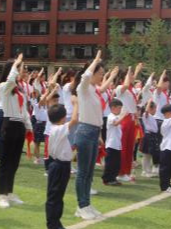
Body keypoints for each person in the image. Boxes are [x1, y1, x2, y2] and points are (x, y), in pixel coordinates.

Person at [74, 50, 107, 220]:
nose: (102, 76)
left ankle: (86, 203)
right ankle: (81, 206)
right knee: (82, 171)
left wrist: (100, 134)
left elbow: (97, 114)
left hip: (94, 132)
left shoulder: (94, 90)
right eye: (100, 74)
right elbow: (85, 77)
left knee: (89, 172)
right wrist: (95, 60)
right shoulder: (84, 88)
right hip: (85, 131)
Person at [0, 54, 33, 209]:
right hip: (9, 124)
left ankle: (10, 191)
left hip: (19, 126)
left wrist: (29, 126)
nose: (21, 71)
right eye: (20, 68)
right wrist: (15, 63)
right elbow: (11, 80)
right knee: (5, 162)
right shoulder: (4, 87)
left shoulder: (19, 90)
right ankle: (2, 194)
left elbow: (24, 110)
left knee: (14, 162)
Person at [45, 93, 79, 229]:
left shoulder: (55, 128)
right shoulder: (59, 129)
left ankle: (56, 222)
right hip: (58, 165)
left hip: (62, 165)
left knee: (58, 196)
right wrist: (76, 104)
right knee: (54, 197)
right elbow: (75, 119)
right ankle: (53, 224)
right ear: (63, 118)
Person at [115, 63, 143, 182]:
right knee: (123, 147)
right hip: (124, 120)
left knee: (130, 148)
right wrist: (131, 69)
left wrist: (135, 71)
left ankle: (126, 172)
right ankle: (120, 172)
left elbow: (129, 82)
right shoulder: (120, 89)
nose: (132, 78)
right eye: (129, 75)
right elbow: (126, 84)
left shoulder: (131, 90)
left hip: (132, 119)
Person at [102, 99, 127, 185]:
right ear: (113, 108)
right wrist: (123, 115)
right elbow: (115, 123)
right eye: (119, 108)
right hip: (111, 144)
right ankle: (107, 179)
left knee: (116, 164)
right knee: (110, 163)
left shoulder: (116, 117)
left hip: (117, 144)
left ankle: (113, 178)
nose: (120, 110)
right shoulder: (110, 116)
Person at [159, 104, 171, 193]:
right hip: (167, 148)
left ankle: (168, 184)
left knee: (170, 168)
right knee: (165, 168)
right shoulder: (166, 121)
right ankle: (164, 187)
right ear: (167, 114)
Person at [140, 98, 160, 177]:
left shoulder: (152, 117)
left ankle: (148, 170)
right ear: (151, 108)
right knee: (146, 155)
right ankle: (145, 171)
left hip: (153, 136)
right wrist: (149, 102)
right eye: (155, 108)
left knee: (150, 154)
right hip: (148, 136)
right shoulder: (146, 116)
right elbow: (146, 111)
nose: (156, 110)